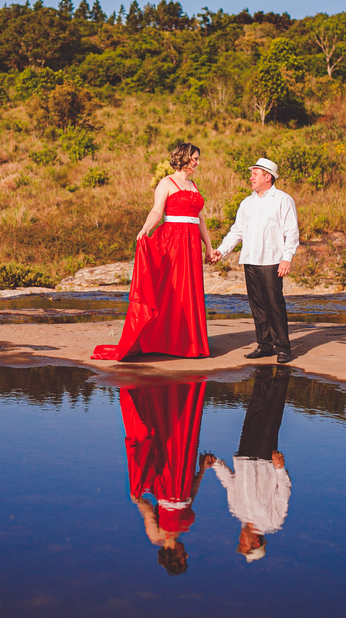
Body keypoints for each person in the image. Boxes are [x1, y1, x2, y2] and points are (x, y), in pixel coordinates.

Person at [92, 143, 214, 360]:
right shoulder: (166, 182)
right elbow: (157, 210)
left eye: (197, 159)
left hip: (192, 244)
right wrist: (145, 229)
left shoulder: (194, 185)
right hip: (173, 242)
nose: (197, 163)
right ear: (184, 158)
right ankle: (162, 339)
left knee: (190, 290)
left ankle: (189, 342)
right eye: (194, 158)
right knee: (172, 289)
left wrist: (209, 247)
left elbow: (200, 219)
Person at [209, 157, 299, 364]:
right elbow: (236, 232)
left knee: (274, 304)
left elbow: (292, 233)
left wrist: (287, 259)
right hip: (250, 258)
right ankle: (265, 345)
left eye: (255, 174)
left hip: (272, 259)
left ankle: (283, 348)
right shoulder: (247, 203)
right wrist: (221, 251)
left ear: (268, 177)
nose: (251, 177)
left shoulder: (283, 200)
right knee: (257, 304)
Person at [120, 380, 209, 576]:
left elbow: (148, 511)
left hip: (167, 484)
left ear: (173, 558)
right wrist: (202, 471)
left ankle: (162, 395)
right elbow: (191, 496)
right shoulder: (182, 530)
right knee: (184, 438)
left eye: (183, 559)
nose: (186, 555)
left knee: (168, 442)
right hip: (184, 478)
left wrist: (136, 498)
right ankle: (183, 392)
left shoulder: (157, 536)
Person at [205, 365, 292, 563]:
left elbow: (230, 483)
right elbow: (283, 492)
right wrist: (280, 469)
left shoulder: (237, 512)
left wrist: (216, 464)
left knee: (254, 412)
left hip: (244, 459)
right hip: (264, 461)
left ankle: (263, 374)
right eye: (242, 543)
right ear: (255, 543)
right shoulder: (273, 522)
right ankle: (281, 375)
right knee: (271, 417)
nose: (239, 539)